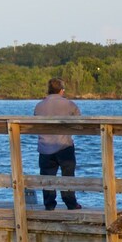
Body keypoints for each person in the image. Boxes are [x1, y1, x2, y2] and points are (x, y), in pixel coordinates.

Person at [34, 78, 82, 210]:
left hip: (44, 147)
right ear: (61, 90)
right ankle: (71, 203)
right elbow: (79, 123)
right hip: (64, 145)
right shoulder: (69, 104)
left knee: (47, 176)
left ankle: (49, 205)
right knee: (67, 175)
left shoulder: (39, 106)